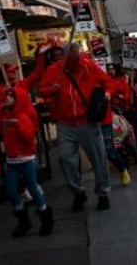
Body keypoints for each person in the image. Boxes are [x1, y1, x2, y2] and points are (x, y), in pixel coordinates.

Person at [38, 43, 113, 211]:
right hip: (65, 123)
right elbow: (41, 90)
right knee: (66, 159)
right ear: (65, 57)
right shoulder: (54, 70)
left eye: (78, 56)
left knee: (98, 158)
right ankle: (78, 191)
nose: (77, 60)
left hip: (87, 121)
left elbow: (107, 81)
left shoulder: (88, 65)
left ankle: (103, 193)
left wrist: (106, 95)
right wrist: (52, 90)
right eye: (72, 57)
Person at [0, 85, 54, 238]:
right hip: (12, 160)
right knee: (11, 191)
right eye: (6, 95)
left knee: (33, 188)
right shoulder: (3, 115)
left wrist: (17, 125)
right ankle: (23, 220)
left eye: (11, 96)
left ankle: (45, 216)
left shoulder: (23, 116)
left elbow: (28, 137)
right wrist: (0, 110)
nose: (8, 98)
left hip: (26, 159)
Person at [103, 64, 132, 185]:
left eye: (112, 69)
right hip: (111, 113)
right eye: (108, 69)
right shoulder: (106, 81)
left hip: (121, 111)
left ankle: (124, 160)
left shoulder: (121, 81)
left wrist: (120, 97)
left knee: (122, 137)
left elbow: (126, 95)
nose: (110, 71)